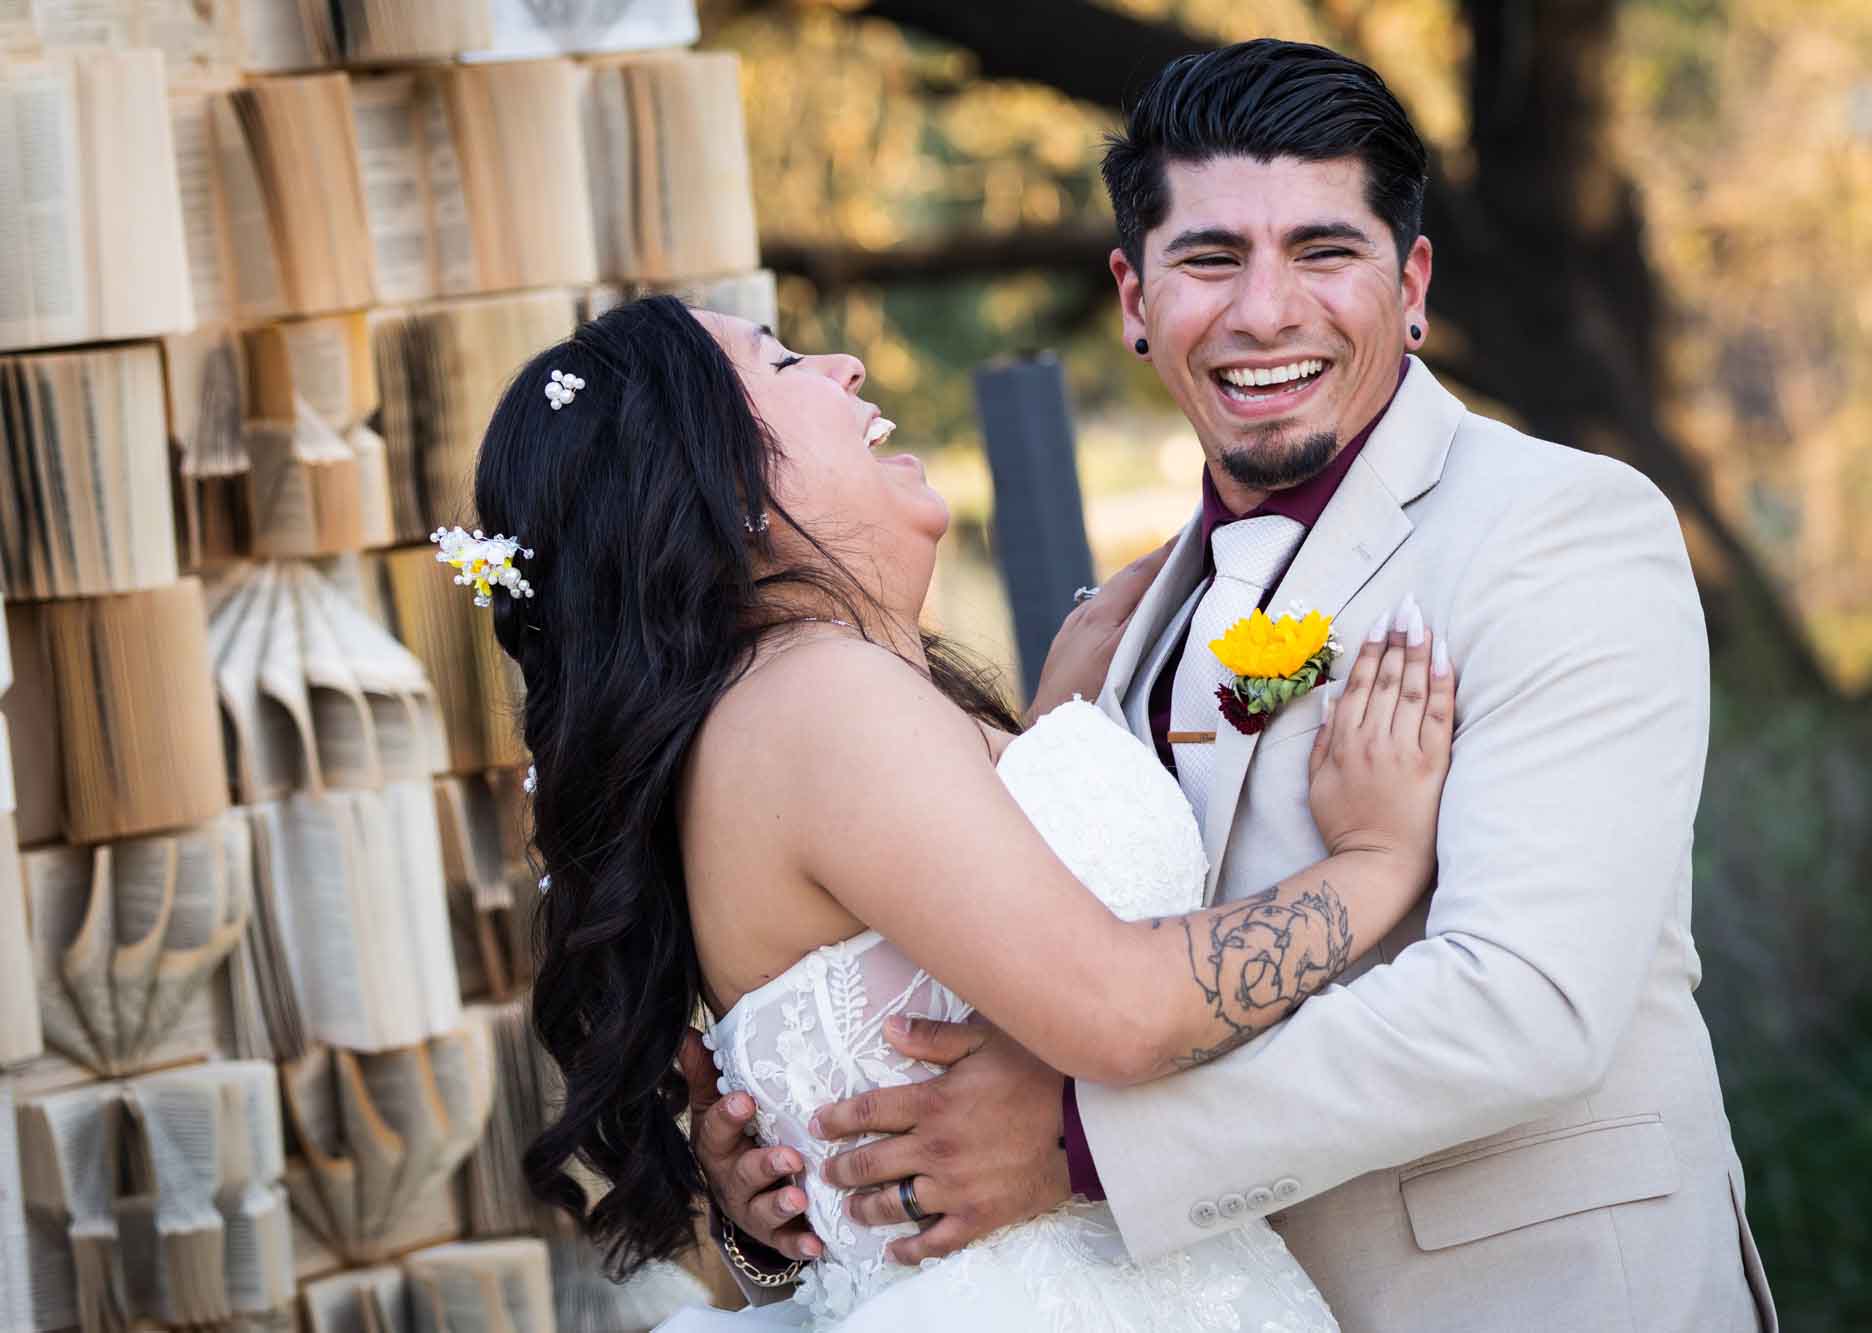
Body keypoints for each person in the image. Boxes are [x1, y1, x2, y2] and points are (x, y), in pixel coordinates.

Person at [697, 38, 1779, 1333]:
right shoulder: (1124, 624)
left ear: (1412, 282)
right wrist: (779, 1198)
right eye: (1212, 259)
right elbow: (991, 995)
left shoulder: (1559, 528)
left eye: (1324, 252)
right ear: (1134, 300)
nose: (1266, 311)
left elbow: (1531, 1002)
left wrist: (1080, 1152)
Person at [466, 292, 1460, 1329]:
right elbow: (1118, 1009)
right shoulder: (812, 699)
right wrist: (1378, 858)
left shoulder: (800, 707)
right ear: (712, 483)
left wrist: (1048, 736)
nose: (843, 364)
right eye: (781, 363)